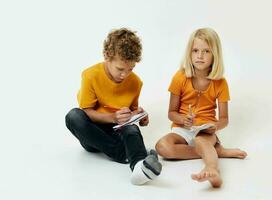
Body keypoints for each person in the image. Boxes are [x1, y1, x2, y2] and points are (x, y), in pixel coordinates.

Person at [65, 28, 162, 185]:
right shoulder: (90, 75)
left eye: (130, 69)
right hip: (94, 134)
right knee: (73, 116)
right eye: (120, 69)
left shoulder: (136, 82)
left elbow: (130, 114)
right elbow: (86, 112)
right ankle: (133, 154)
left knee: (132, 129)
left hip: (118, 131)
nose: (125, 74)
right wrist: (112, 117)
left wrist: (140, 116)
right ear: (106, 57)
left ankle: (138, 167)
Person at [155, 28, 247, 188]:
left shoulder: (220, 83)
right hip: (182, 128)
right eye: (195, 50)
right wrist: (183, 120)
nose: (200, 55)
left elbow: (224, 119)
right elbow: (171, 113)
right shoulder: (180, 77)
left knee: (200, 141)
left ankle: (212, 169)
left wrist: (215, 126)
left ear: (215, 56)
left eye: (206, 51)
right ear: (189, 53)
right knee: (161, 146)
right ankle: (216, 152)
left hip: (205, 130)